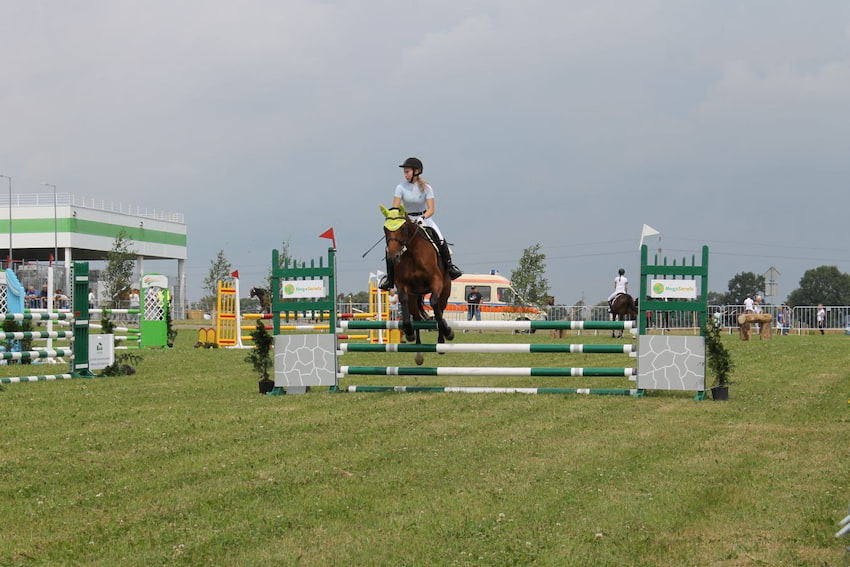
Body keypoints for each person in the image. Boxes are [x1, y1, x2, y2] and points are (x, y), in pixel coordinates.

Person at [379, 157, 462, 290]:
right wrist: (393, 219)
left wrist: (422, 218)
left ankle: (450, 267)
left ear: (416, 171)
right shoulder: (400, 187)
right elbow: (395, 208)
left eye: (407, 171)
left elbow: (431, 209)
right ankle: (390, 279)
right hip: (406, 220)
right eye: (404, 172)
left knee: (440, 239)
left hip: (424, 218)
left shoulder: (427, 188)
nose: (405, 174)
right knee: (390, 247)